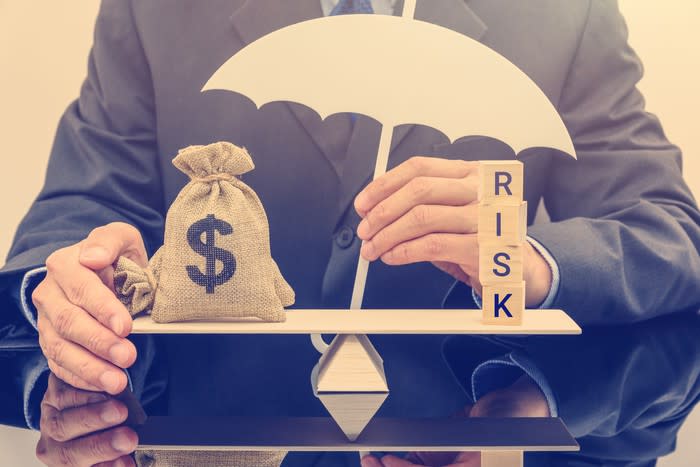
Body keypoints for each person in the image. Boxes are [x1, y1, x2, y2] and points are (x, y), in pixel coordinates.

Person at [1, 0, 699, 466]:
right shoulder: (156, 9)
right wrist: (69, 286)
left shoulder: (562, 13)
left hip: (447, 433)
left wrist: (531, 258)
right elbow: (79, 206)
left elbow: (669, 236)